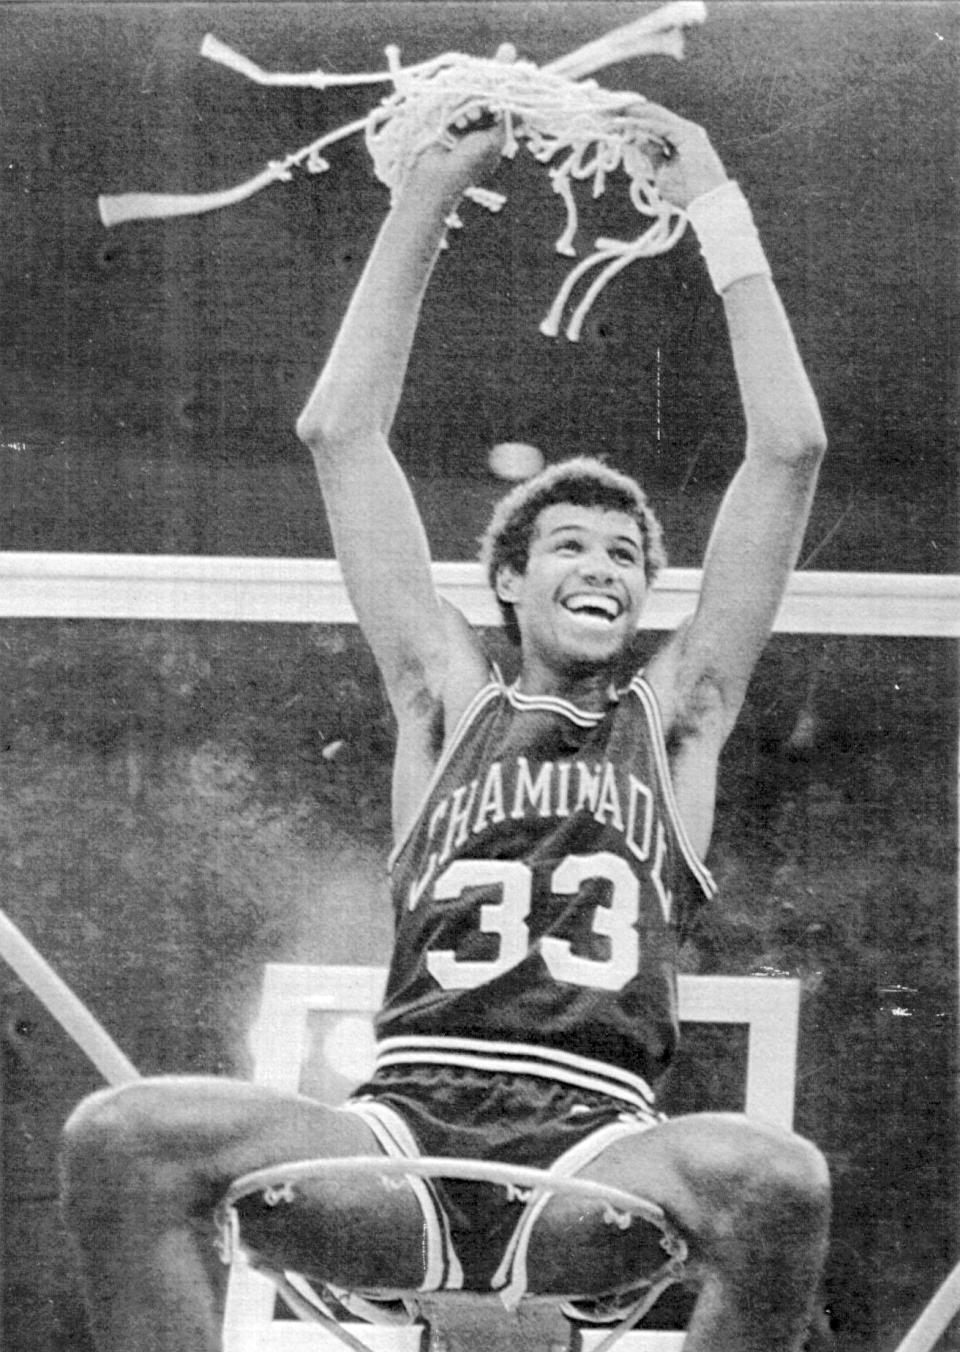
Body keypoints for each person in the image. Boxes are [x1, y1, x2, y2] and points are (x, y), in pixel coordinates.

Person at [61, 98, 830, 1352]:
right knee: (123, 1136)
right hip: (397, 1145)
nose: (607, 564)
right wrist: (427, 192)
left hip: (599, 1156)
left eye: (631, 553)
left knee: (778, 1176)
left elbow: (789, 449)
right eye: (570, 543)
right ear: (510, 585)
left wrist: (715, 201)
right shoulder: (444, 697)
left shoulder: (679, 715)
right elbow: (338, 432)